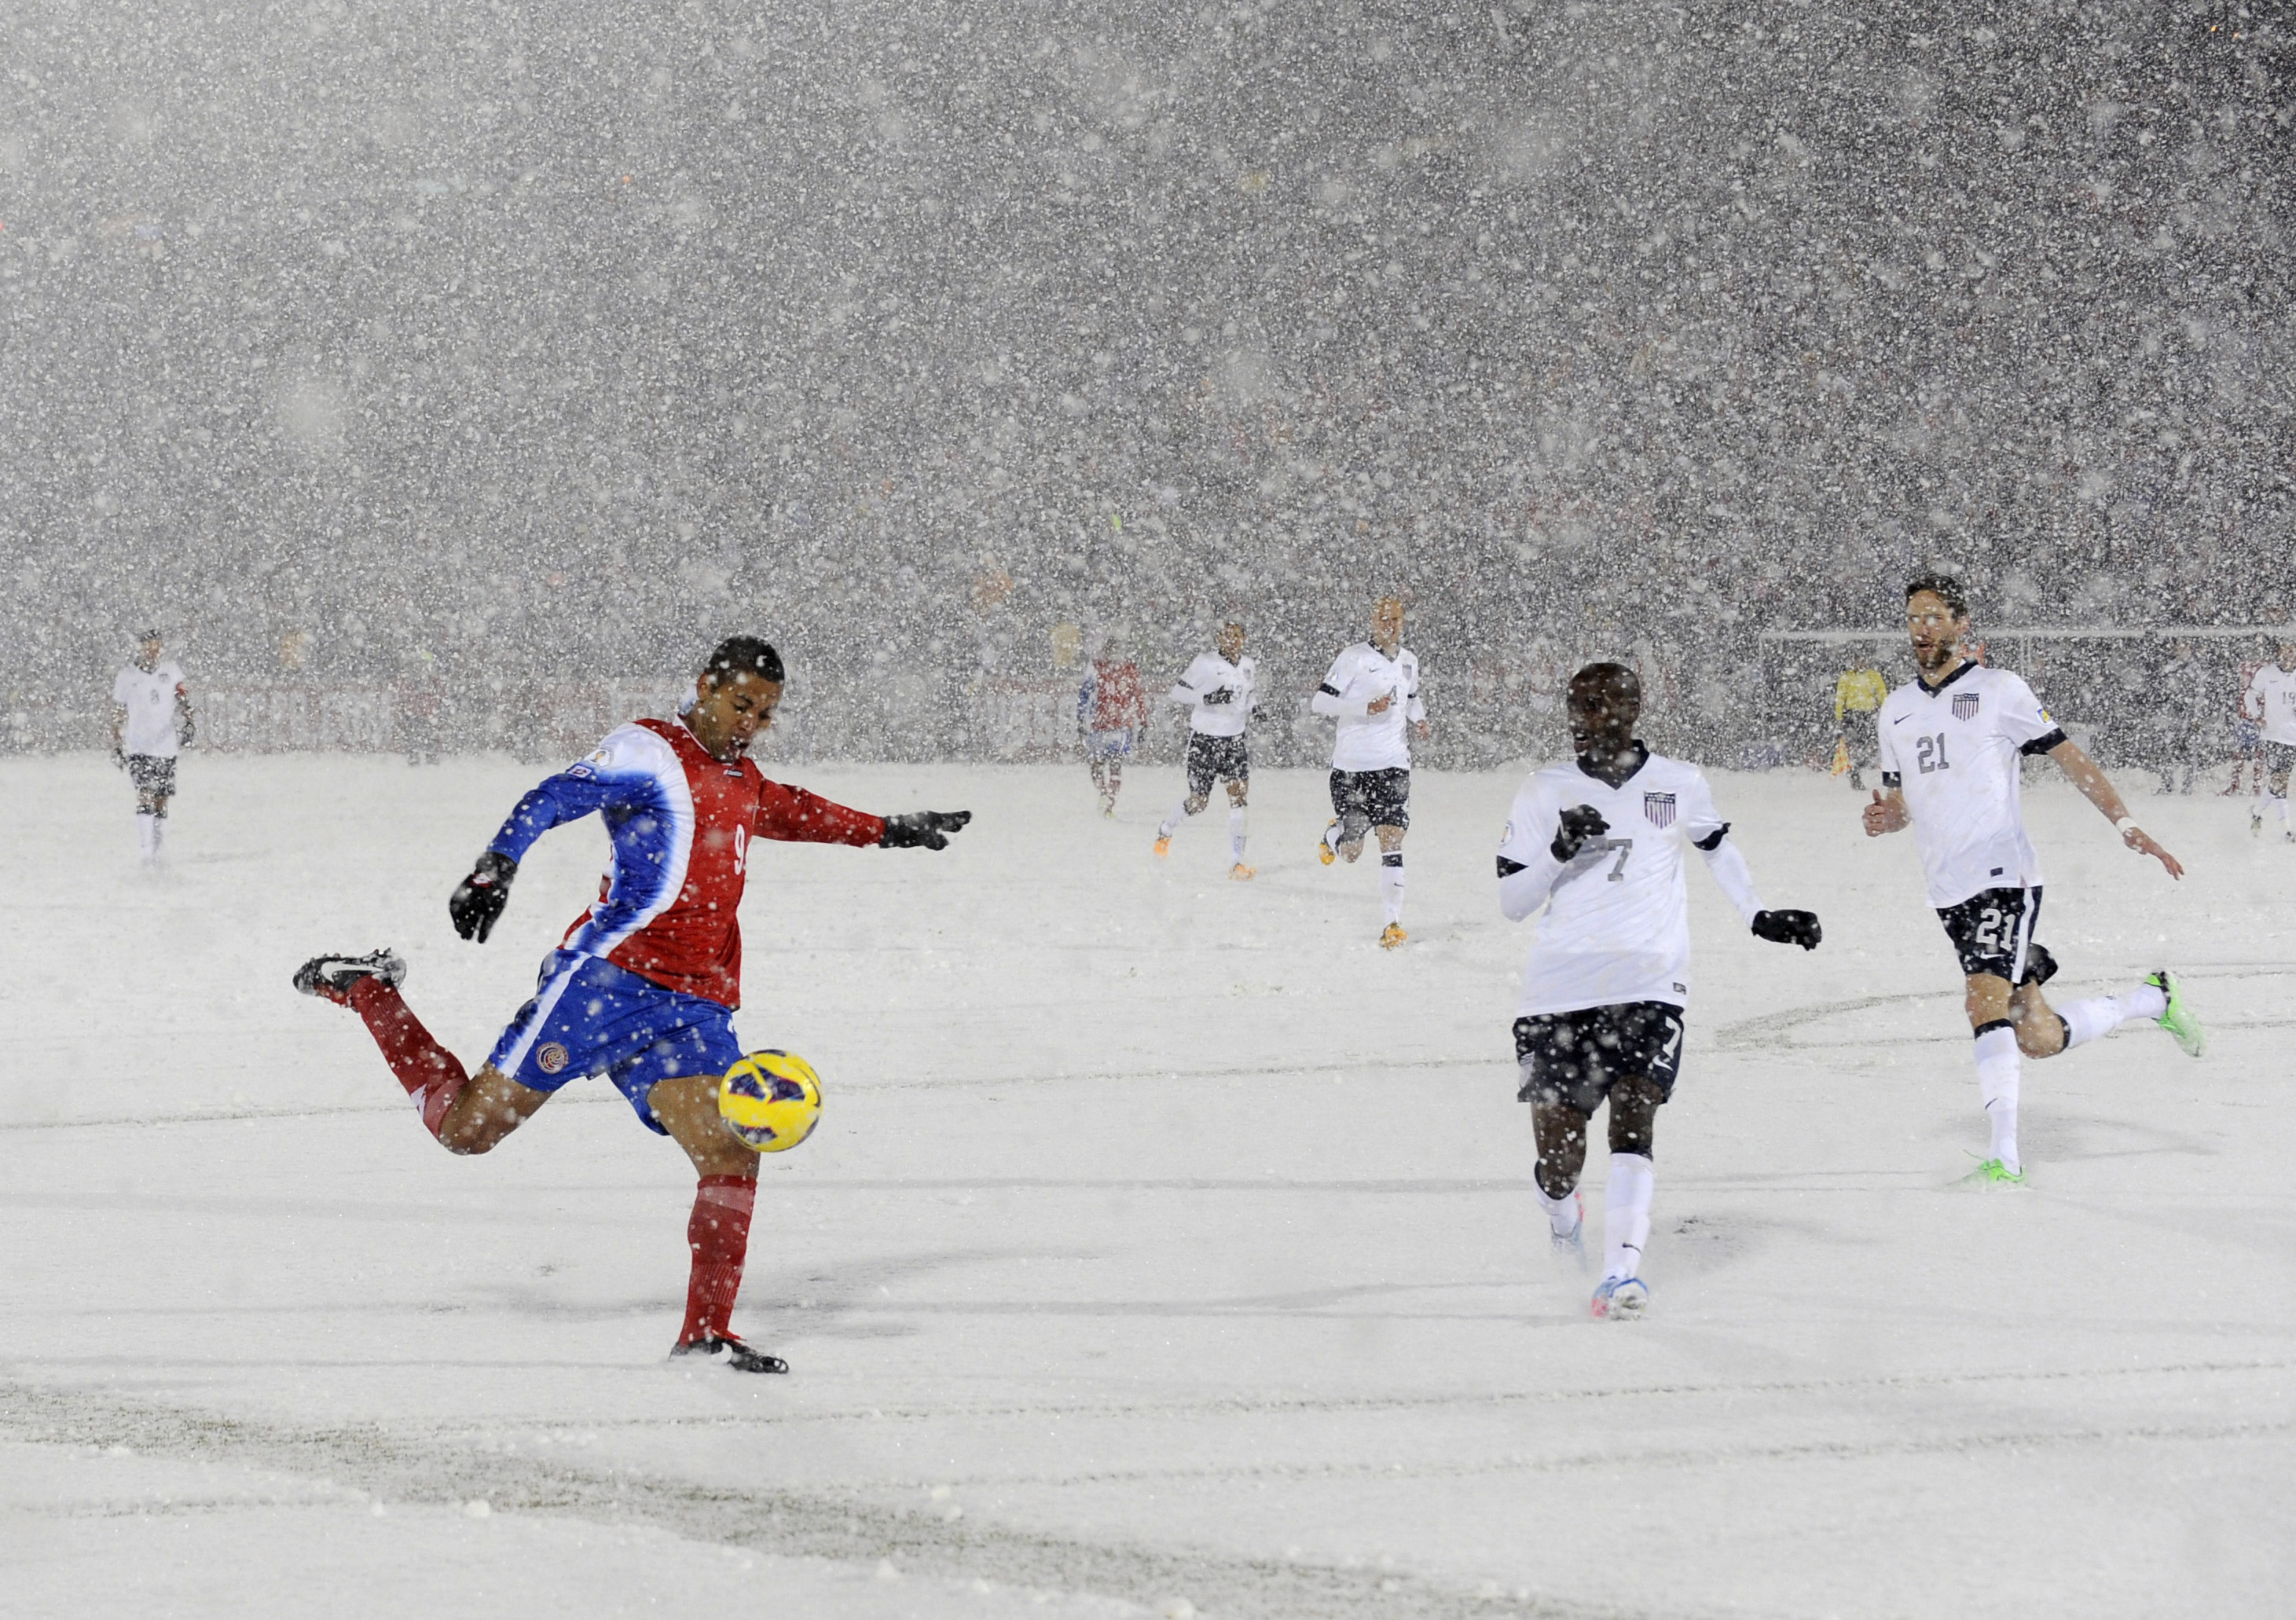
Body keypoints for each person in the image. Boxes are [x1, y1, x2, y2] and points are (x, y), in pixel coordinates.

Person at [292, 636, 971, 1374]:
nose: (750, 723)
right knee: (466, 1132)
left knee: (730, 1148)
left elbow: (792, 811)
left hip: (693, 1004)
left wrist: (888, 831)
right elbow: (554, 796)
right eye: (741, 704)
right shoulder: (649, 749)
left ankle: (705, 1336)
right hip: (604, 986)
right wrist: (497, 865)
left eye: (767, 714)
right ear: (706, 686)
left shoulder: (741, 776)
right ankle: (367, 991)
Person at [1498, 662, 1820, 1319]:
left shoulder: (1679, 782)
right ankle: (1564, 1223)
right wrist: (1559, 852)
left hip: (1649, 979)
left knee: (1634, 1112)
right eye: (1579, 703)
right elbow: (1511, 902)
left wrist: (1758, 913)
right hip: (1559, 988)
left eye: (1602, 703)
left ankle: (1621, 1274)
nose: (1588, 715)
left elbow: (1715, 847)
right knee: (1559, 1156)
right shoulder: (1544, 790)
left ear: (1635, 707)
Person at [1861, 575, 2205, 1186]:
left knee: (1981, 1002)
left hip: (2004, 876)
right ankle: (2154, 1000)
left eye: (1936, 616)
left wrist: (2125, 822)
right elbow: (1906, 798)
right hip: (1947, 888)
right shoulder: (1895, 709)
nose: (1922, 629)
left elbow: (2070, 756)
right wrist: (1889, 817)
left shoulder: (1999, 690)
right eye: (1914, 618)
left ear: (1962, 624)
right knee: (2037, 1037)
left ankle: (2005, 1157)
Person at [1312, 596, 1428, 948]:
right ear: (1372, 621)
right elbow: (1320, 701)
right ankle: (1337, 834)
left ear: (1403, 621)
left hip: (1394, 763)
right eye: (1382, 617)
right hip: (1353, 767)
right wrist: (1364, 706)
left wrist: (1419, 718)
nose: (1388, 623)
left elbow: (1410, 699)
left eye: (1394, 618)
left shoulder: (1409, 661)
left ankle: (1392, 924)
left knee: (1391, 838)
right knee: (1352, 853)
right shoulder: (1354, 658)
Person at [1154, 619, 1259, 878]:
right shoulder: (1205, 663)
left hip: (1234, 741)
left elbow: (1249, 694)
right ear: (1219, 639)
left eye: (1236, 635)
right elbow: (1177, 692)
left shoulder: (1248, 665)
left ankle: (1236, 863)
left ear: (1244, 638)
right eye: (1226, 635)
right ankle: (1166, 829)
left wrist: (1255, 707)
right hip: (1205, 741)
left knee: (1239, 800)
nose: (1231, 640)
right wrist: (1206, 698)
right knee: (1199, 802)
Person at [110, 629, 193, 864]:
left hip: (166, 746)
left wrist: (189, 721)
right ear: (140, 648)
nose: (153, 651)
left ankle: (158, 847)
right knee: (145, 793)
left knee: (161, 798)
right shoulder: (127, 676)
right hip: (139, 746)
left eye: (156, 646)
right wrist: (117, 743)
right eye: (148, 646)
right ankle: (145, 850)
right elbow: (118, 712)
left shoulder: (171, 672)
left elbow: (184, 698)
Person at [1078, 637, 1148, 817]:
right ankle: (1104, 792)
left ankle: (1109, 803)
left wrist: (1143, 722)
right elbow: (1084, 695)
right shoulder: (1096, 668)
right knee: (1097, 765)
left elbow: (1138, 697)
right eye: (1110, 650)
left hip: (1121, 725)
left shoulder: (1129, 670)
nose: (1113, 655)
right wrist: (1080, 720)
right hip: (1099, 724)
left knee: (1116, 763)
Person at [2239, 640, 2296, 840]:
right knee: (2279, 781)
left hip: (2293, 737)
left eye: (2292, 650)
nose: (2289, 654)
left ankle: (2256, 812)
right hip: (2272, 734)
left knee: (2280, 782)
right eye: (2285, 650)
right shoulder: (2267, 673)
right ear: (2279, 653)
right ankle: (2288, 830)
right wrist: (2256, 716)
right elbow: (2250, 695)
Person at [1833, 658, 1887, 790]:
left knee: (1870, 747)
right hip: (1852, 715)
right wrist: (1839, 716)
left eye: (1863, 660)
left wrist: (1886, 710)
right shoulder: (1846, 677)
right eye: (1857, 660)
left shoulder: (1873, 676)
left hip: (1867, 715)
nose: (1860, 663)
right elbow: (1840, 697)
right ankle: (1855, 773)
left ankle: (1857, 768)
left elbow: (1882, 693)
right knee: (1855, 747)